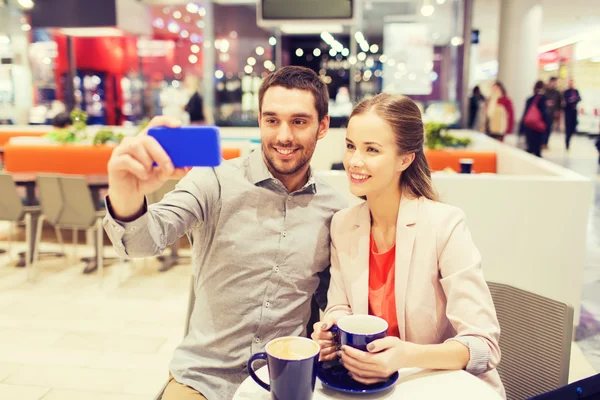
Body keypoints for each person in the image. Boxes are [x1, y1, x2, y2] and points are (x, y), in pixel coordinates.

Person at [103, 66, 346, 399]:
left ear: (323, 127)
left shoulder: (334, 209)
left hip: (283, 380)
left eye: (299, 122)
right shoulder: (213, 180)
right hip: (203, 380)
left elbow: (334, 301)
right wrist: (126, 191)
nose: (284, 136)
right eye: (272, 120)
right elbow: (141, 242)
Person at [311, 93, 505, 398]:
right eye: (350, 146)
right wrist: (332, 326)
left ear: (405, 158)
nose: (354, 161)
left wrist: (405, 355)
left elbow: (484, 346)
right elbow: (339, 304)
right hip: (371, 388)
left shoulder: (445, 224)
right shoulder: (344, 224)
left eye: (371, 149)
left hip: (440, 388)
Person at [520, 81, 551, 157]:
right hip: (538, 128)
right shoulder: (543, 100)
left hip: (529, 127)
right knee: (537, 151)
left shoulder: (530, 99)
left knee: (530, 148)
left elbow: (525, 114)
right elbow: (544, 114)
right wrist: (547, 127)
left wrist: (521, 128)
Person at [563, 79, 581, 150]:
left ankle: (570, 135)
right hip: (568, 112)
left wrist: (573, 100)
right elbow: (565, 101)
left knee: (573, 126)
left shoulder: (576, 91)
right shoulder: (566, 92)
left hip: (574, 111)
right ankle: (567, 142)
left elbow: (579, 98)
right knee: (568, 128)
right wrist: (571, 101)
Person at [544, 77, 562, 148]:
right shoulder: (545, 92)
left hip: (552, 113)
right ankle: (543, 142)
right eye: (553, 82)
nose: (554, 84)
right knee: (544, 128)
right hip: (544, 113)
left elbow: (559, 103)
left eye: (555, 82)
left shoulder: (557, 93)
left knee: (549, 128)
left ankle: (545, 143)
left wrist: (558, 111)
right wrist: (546, 103)